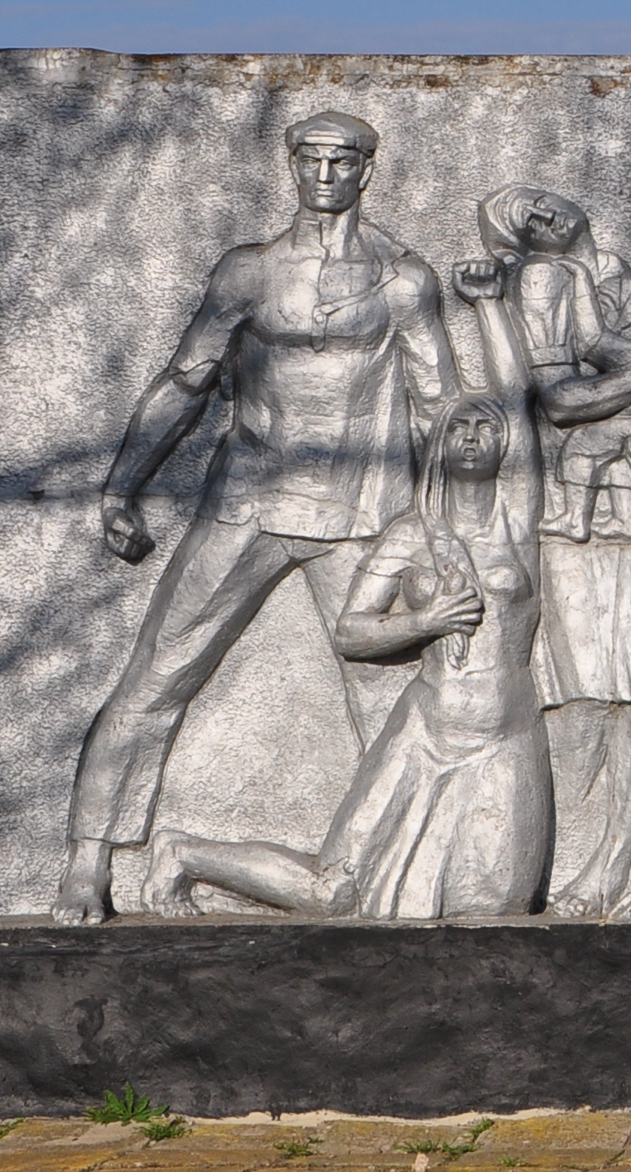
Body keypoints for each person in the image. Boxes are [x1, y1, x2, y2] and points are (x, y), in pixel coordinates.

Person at [58, 110, 456, 925]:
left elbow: (441, 406)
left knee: (395, 705)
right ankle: (85, 860)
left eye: (340, 160)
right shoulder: (248, 273)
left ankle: (395, 869)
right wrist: (121, 486)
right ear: (290, 165)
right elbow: (185, 380)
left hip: (358, 513)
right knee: (156, 675)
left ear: (364, 172)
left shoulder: (405, 280)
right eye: (309, 158)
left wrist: (453, 530)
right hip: (248, 499)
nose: (323, 174)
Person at [137, 258, 552, 921]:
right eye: (459, 429)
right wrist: (425, 621)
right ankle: (185, 853)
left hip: (504, 737)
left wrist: (491, 305)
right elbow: (352, 633)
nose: (474, 437)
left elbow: (516, 404)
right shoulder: (407, 537)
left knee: (500, 903)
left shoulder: (517, 525)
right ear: (437, 445)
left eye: (486, 430)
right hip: (427, 729)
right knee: (340, 891)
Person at [472, 185, 631, 918]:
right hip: (577, 525)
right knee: (579, 705)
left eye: (539, 201)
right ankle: (563, 863)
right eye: (520, 221)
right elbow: (562, 403)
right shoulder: (540, 287)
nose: (541, 216)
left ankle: (618, 868)